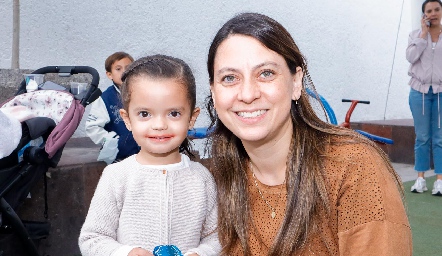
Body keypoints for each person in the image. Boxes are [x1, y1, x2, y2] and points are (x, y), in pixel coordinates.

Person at [206, 12, 412, 255]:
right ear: (214, 92)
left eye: (266, 73)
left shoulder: (352, 166)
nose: (248, 94)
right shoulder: (214, 179)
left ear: (296, 83)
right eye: (229, 78)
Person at [79, 54, 221, 256]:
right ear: (127, 119)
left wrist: (201, 254)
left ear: (191, 118)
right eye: (145, 114)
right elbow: (92, 239)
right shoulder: (116, 176)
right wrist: (125, 253)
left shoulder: (202, 178)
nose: (159, 125)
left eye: (174, 113)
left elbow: (217, 238)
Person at [406, 0, 442, 196]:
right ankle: (420, 179)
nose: (433, 13)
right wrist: (423, 35)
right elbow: (411, 57)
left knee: (440, 138)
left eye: (437, 9)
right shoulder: (415, 35)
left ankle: (439, 180)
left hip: (441, 93)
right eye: (429, 10)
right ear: (424, 15)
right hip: (419, 92)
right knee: (422, 137)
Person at [86, 51, 140, 164]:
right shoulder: (105, 99)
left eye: (128, 67)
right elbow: (92, 127)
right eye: (118, 69)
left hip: (147, 153)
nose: (124, 72)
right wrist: (114, 141)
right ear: (109, 74)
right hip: (121, 157)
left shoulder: (143, 93)